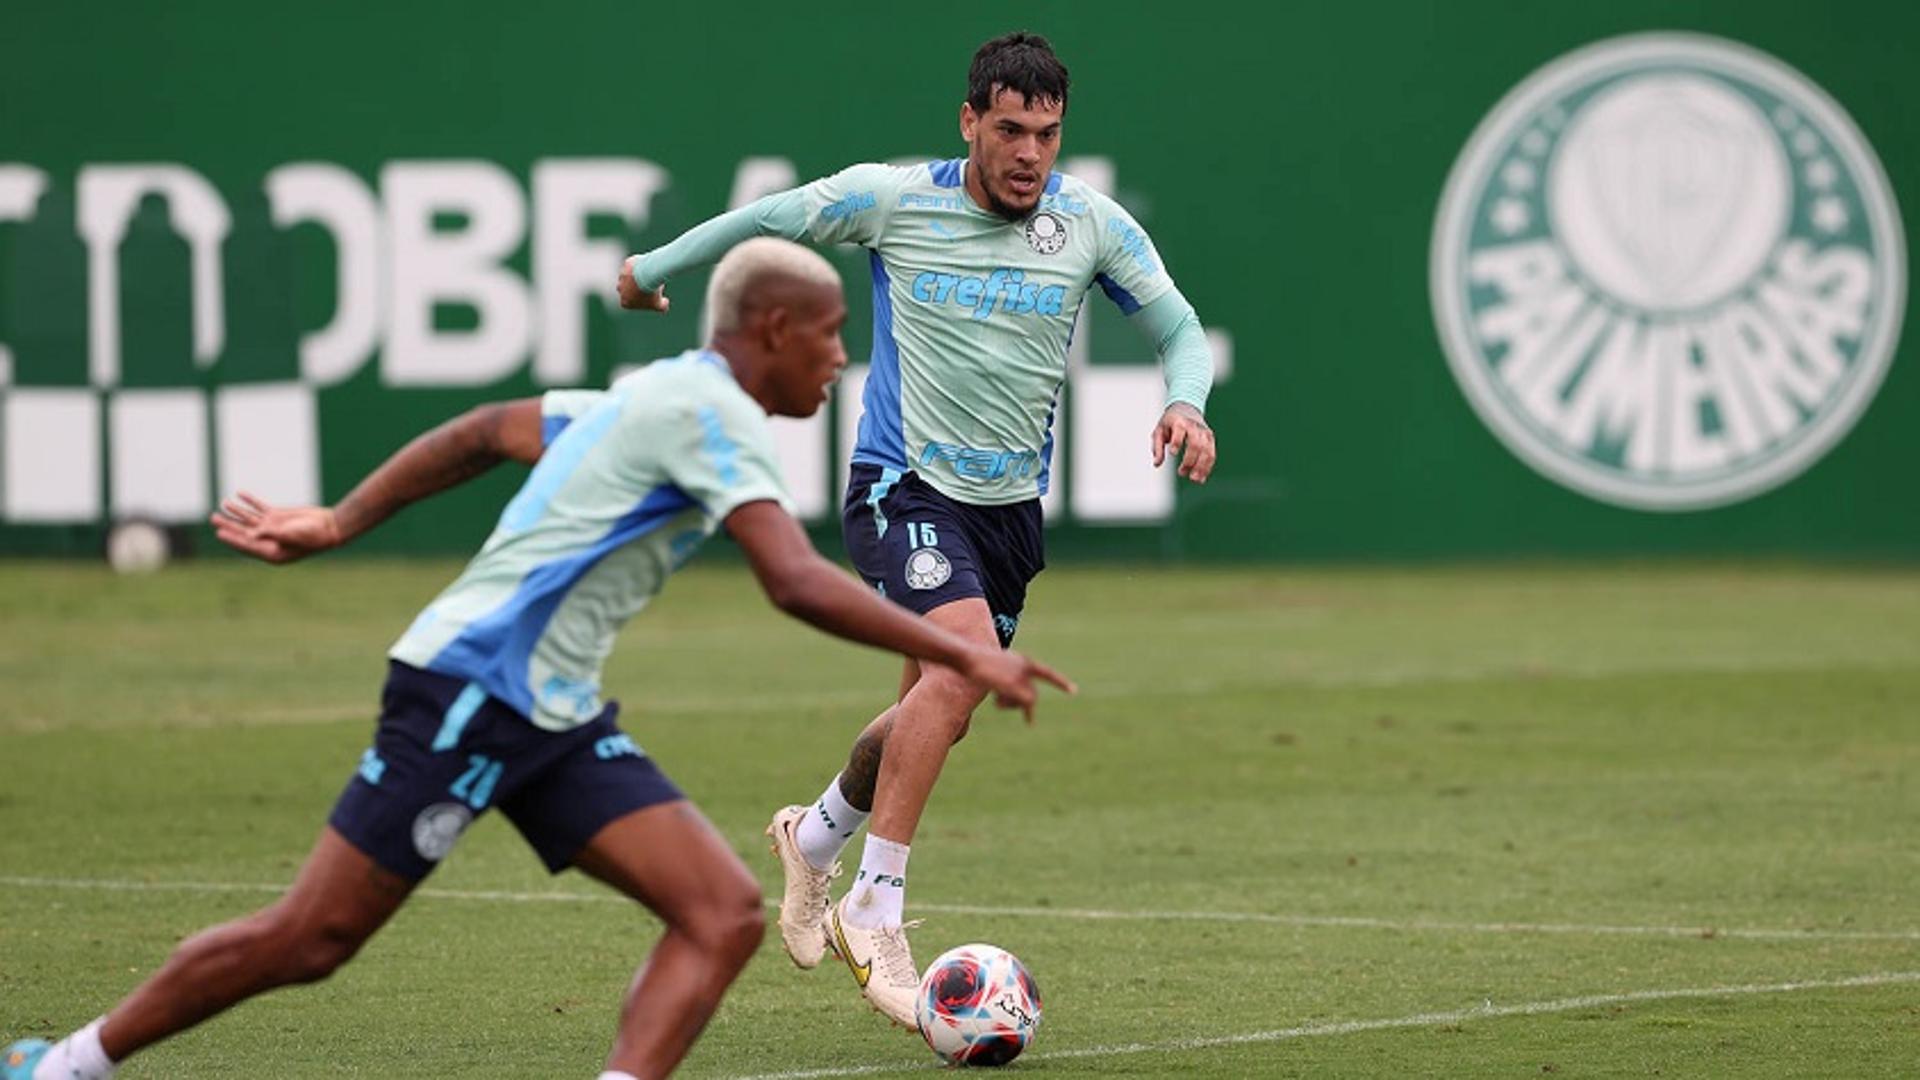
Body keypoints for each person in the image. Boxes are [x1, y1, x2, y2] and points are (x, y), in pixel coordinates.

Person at [2, 238, 1072, 1080]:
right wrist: (956, 651)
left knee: (717, 914)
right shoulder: (716, 418)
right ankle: (66, 1065)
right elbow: (792, 580)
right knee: (311, 936)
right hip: (467, 692)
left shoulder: (655, 395)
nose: (843, 359)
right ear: (776, 329)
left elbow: (482, 432)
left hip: (549, 715)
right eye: (832, 336)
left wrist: (339, 520)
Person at [613, 31, 1218, 1026]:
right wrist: (652, 267)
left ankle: (814, 838)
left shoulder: (1089, 225)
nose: (1030, 154)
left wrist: (1187, 403)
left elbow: (1178, 328)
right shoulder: (896, 200)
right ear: (970, 122)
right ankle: (876, 904)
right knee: (963, 668)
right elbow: (773, 216)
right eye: (1012, 130)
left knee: (929, 714)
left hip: (1010, 515)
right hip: (903, 487)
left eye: (1049, 134)